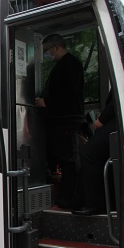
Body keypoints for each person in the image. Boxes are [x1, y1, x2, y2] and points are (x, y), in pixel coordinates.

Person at [35, 33, 85, 208]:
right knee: (59, 158)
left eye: (48, 51)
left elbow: (67, 94)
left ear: (56, 47)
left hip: (65, 120)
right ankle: (64, 197)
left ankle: (69, 199)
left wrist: (46, 102)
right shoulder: (65, 64)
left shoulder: (70, 64)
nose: (47, 55)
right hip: (59, 120)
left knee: (68, 160)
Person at [73, 90, 117, 216]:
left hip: (116, 121)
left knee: (88, 153)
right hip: (121, 120)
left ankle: (94, 203)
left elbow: (117, 99)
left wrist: (102, 119)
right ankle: (105, 201)